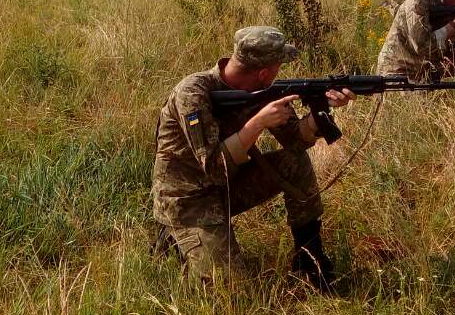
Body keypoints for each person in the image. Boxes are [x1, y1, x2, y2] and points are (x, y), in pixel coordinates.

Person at [152, 26, 356, 290]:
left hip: (227, 186)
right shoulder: (193, 94)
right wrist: (257, 123)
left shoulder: (263, 90)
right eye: (279, 64)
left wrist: (319, 114)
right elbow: (213, 169)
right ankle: (174, 236)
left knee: (295, 163)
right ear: (263, 72)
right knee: (235, 291)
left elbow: (295, 140)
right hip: (188, 200)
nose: (279, 71)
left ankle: (310, 260)